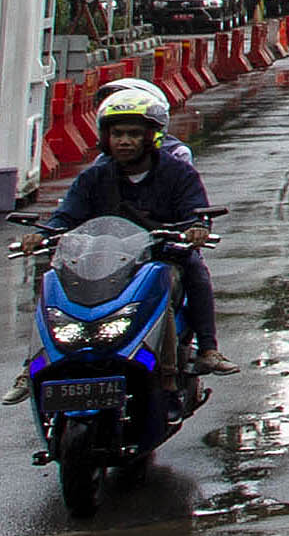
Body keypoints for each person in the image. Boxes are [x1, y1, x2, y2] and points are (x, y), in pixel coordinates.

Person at [47, 83, 227, 373]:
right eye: (118, 134)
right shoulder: (94, 177)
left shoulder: (177, 171)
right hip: (105, 260)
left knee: (193, 268)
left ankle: (206, 349)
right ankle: (35, 363)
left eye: (134, 134)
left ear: (150, 137)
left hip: (160, 255)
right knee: (52, 282)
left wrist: (196, 228)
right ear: (106, 137)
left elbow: (195, 210)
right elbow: (67, 214)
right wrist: (43, 234)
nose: (125, 141)